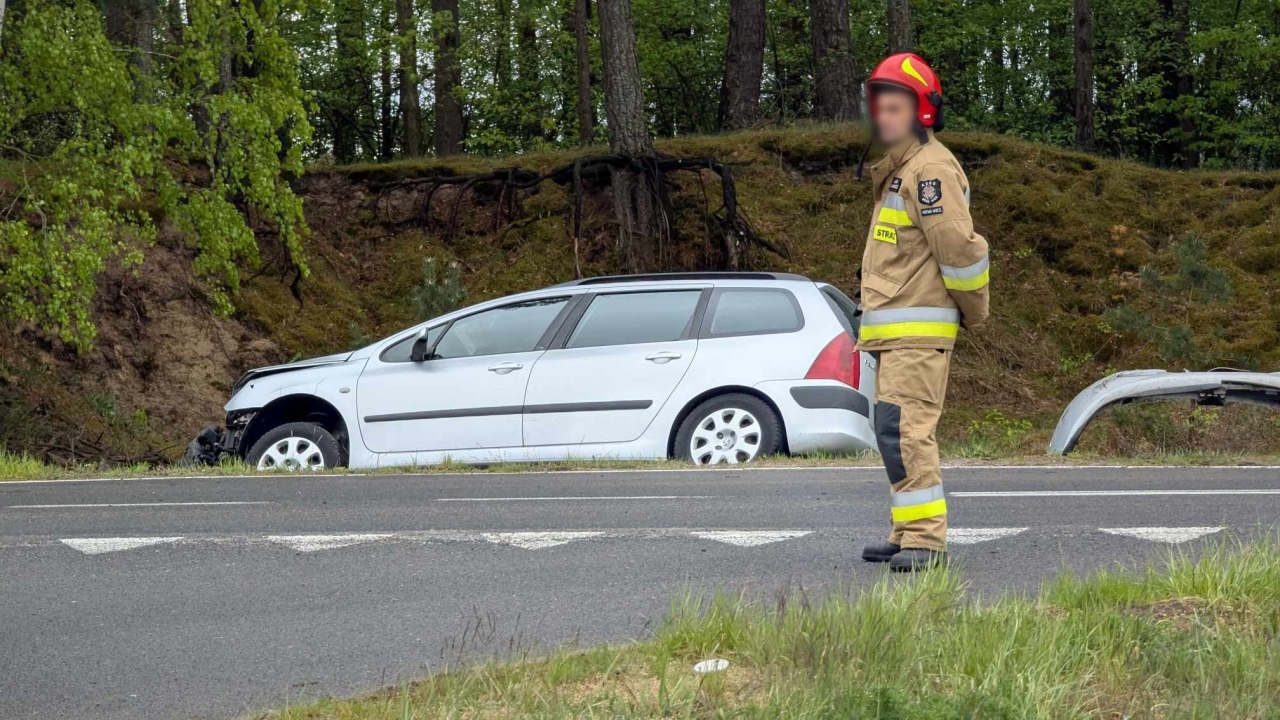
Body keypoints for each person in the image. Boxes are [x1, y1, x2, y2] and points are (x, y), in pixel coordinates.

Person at [855, 53, 990, 572]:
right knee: (892, 432)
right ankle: (908, 530)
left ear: (922, 111)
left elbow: (961, 250)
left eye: (896, 107)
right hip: (898, 334)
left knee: (908, 432)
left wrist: (972, 314)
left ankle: (927, 541)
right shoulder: (902, 170)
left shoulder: (930, 171)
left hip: (918, 332)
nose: (884, 117)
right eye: (880, 107)